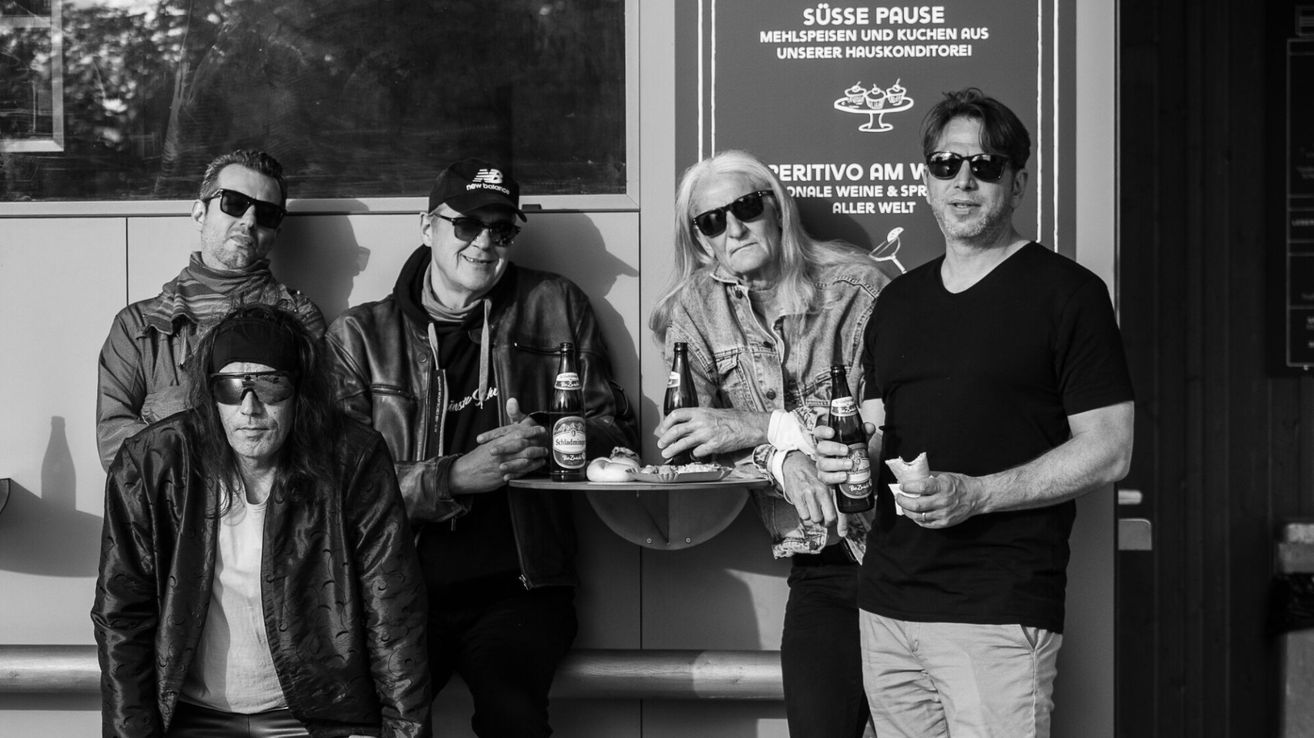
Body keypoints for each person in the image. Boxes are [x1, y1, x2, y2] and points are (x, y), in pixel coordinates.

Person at [815, 88, 1135, 737]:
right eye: (946, 164)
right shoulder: (899, 301)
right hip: (888, 608)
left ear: (1018, 183)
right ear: (926, 179)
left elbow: (1111, 448)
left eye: (985, 166)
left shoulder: (1069, 295)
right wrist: (851, 460)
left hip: (997, 613)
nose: (964, 181)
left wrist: (977, 495)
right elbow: (876, 430)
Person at [322, 158, 638, 737]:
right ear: (427, 226)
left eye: (501, 230)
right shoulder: (360, 337)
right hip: (397, 585)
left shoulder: (556, 305)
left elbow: (619, 437)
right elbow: (337, 484)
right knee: (363, 722)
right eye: (466, 225)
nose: (484, 242)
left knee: (512, 716)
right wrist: (453, 477)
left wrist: (549, 439)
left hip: (521, 588)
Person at [92, 304, 431, 737]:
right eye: (231, 387)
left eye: (270, 385)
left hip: (317, 717)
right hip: (188, 716)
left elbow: (393, 611)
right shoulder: (153, 463)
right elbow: (122, 615)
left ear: (299, 391)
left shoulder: (352, 459)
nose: (249, 408)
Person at [648, 149, 888, 738]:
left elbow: (879, 424)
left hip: (906, 550)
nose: (733, 228)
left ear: (777, 209)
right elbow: (690, 440)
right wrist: (783, 455)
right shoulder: (693, 313)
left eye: (746, 207)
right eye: (710, 221)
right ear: (700, 241)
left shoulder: (860, 290)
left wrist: (760, 427)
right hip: (821, 561)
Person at [96, 149, 325, 470]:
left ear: (277, 232)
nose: (249, 221)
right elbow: (115, 443)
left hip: (266, 512)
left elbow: (313, 431)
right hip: (171, 515)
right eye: (233, 203)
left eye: (267, 214)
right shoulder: (138, 327)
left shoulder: (300, 320)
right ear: (199, 213)